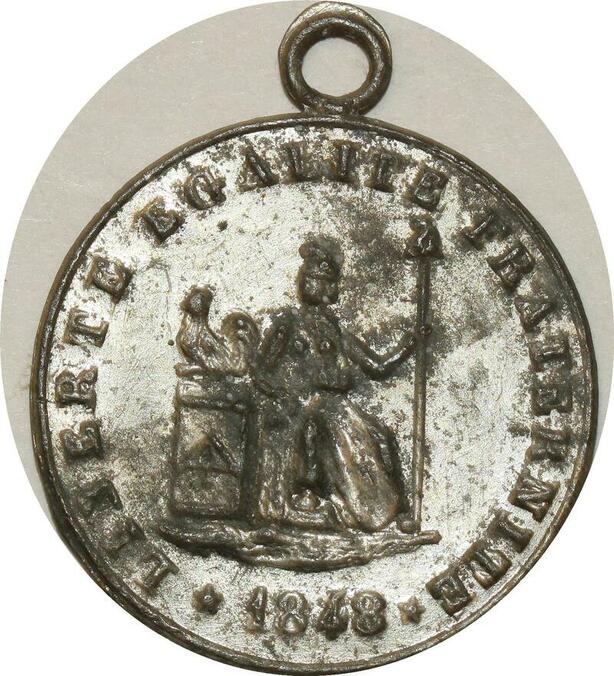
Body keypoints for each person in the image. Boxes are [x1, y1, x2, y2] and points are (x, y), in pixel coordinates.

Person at [243, 236, 415, 533]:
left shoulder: (334, 329)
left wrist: (410, 345)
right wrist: (282, 395)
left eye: (321, 280)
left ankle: (395, 509)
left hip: (336, 405)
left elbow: (376, 366)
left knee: (380, 434)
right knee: (328, 433)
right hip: (303, 403)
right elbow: (259, 370)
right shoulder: (287, 323)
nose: (312, 284)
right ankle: (339, 507)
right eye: (309, 277)